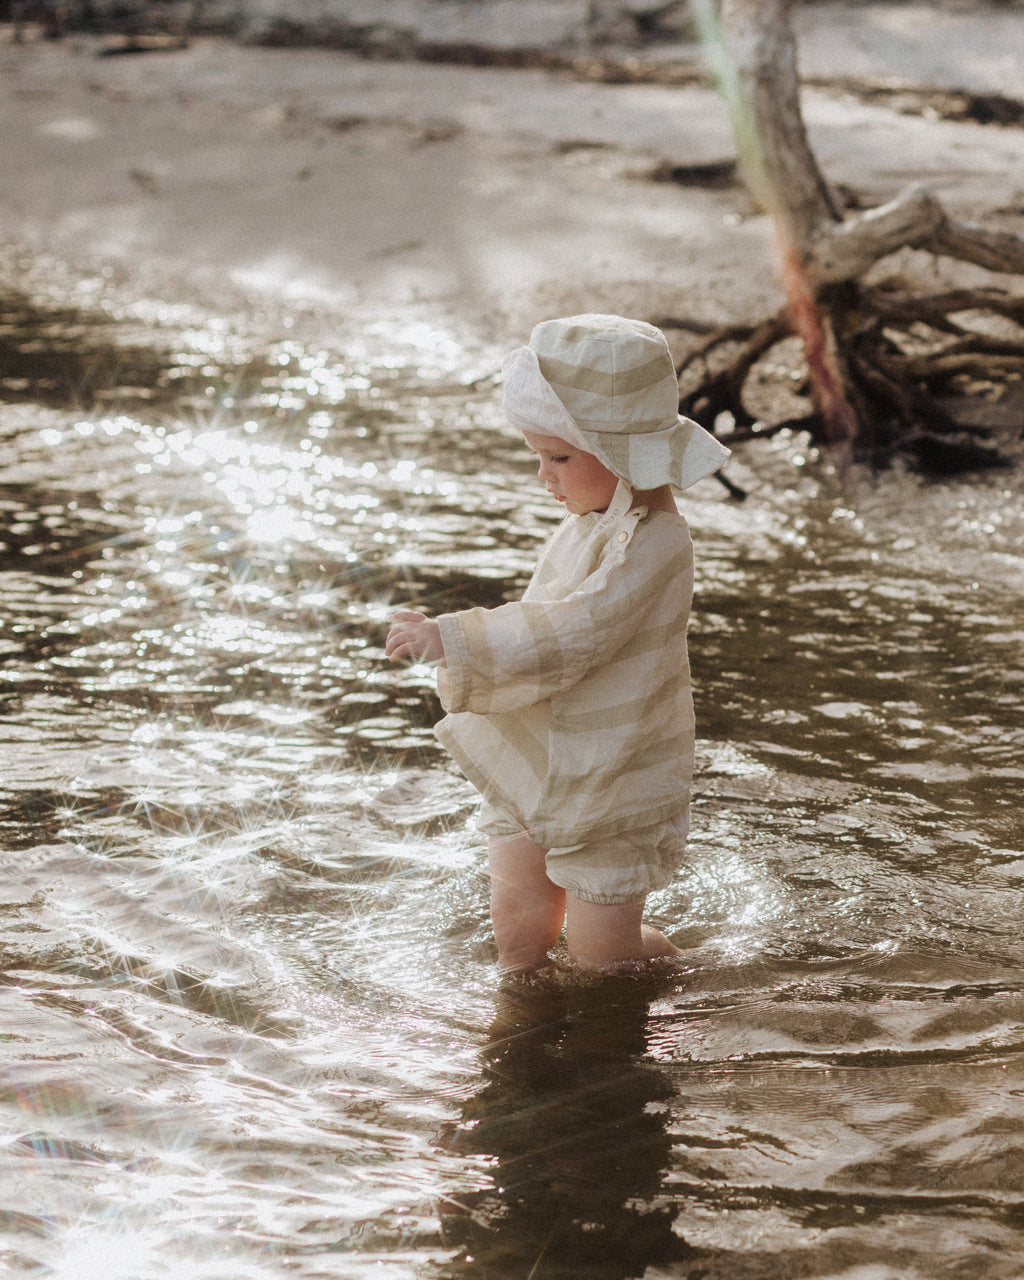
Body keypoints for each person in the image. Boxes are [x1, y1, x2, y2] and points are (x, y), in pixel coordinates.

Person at [385, 314, 730, 974]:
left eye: (560, 457)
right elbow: (537, 617)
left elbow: (578, 628)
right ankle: (519, 1043)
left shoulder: (658, 544)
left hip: (611, 773)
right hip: (536, 755)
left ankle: (679, 967)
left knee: (604, 965)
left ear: (623, 452)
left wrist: (452, 639)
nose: (543, 474)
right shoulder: (590, 521)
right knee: (518, 940)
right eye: (539, 455)